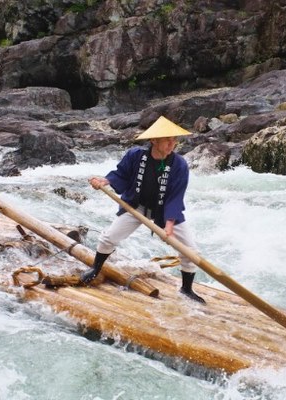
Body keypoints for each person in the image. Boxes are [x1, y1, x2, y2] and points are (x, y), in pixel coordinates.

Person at [83, 116, 206, 303]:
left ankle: (186, 289)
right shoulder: (135, 155)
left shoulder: (179, 165)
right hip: (136, 207)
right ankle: (95, 268)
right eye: (167, 140)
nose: (172, 144)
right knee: (109, 237)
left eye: (174, 140)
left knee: (190, 250)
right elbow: (121, 175)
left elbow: (175, 197)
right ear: (154, 141)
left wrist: (170, 224)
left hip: (165, 212)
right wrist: (104, 181)